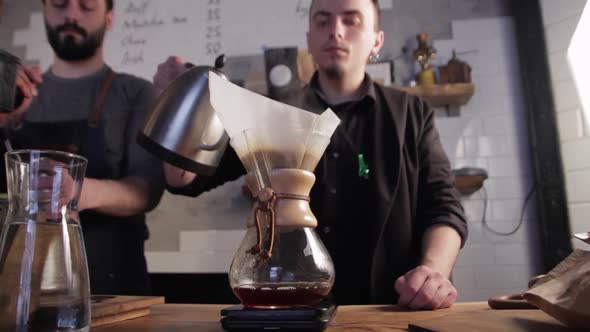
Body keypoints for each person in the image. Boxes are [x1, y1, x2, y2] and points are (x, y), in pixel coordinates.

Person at [154, 0, 467, 309]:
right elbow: (183, 179)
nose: (335, 31)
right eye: (322, 20)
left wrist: (434, 272)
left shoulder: (411, 114)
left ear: (376, 40)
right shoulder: (272, 114)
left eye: (351, 20)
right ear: (308, 39)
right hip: (290, 310)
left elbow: (443, 206)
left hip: (391, 310)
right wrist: (175, 102)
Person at [3, 0, 165, 295]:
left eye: (87, 6)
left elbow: (146, 189)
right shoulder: (14, 95)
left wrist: (76, 191)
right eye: (59, 5)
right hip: (20, 288)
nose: (71, 15)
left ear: (109, 17)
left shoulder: (134, 92)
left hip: (112, 284)